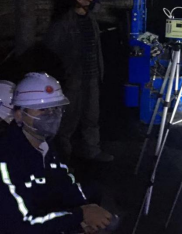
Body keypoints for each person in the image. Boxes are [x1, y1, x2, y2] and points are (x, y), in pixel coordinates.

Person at [0, 72, 113, 233]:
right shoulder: (6, 158)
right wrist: (80, 216)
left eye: (56, 108)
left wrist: (87, 209)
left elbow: (65, 185)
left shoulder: (45, 146)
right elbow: (19, 225)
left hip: (39, 217)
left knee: (93, 190)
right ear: (19, 115)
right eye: (42, 110)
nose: (51, 115)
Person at [44, 0, 113, 162]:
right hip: (72, 79)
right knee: (67, 119)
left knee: (92, 117)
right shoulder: (62, 24)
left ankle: (92, 151)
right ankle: (63, 156)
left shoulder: (91, 19)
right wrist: (61, 76)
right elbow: (51, 53)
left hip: (91, 77)